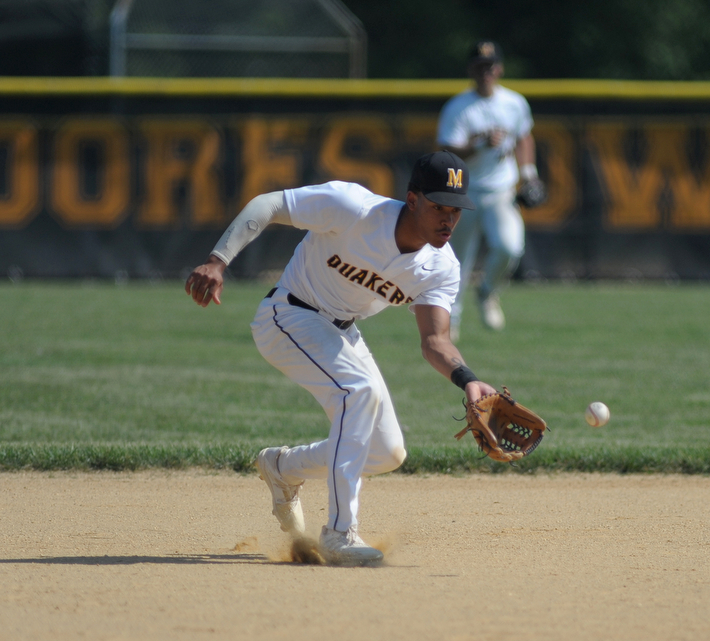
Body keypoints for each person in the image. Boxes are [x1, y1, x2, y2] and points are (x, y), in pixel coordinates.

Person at [184, 151, 497, 566]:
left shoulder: (441, 267)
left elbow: (434, 341)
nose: (449, 219)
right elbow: (269, 204)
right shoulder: (353, 207)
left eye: (455, 210)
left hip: (342, 331)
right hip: (288, 314)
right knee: (359, 390)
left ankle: (282, 467)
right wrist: (217, 261)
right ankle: (338, 533)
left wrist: (467, 378)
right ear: (413, 199)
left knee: (386, 452)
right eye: (439, 206)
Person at [437, 40, 546, 341]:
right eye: (479, 67)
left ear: (499, 69)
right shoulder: (458, 107)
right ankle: (450, 321)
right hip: (463, 192)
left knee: (510, 247)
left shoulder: (513, 102)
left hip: (501, 190)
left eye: (490, 66)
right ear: (471, 70)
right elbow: (447, 150)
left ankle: (487, 292)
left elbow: (524, 137)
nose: (485, 72)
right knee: (456, 262)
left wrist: (529, 174)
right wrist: (478, 144)